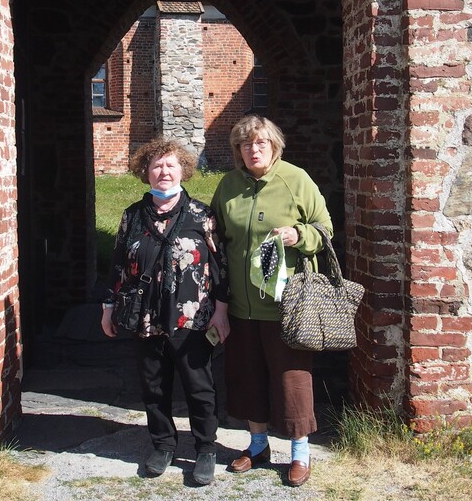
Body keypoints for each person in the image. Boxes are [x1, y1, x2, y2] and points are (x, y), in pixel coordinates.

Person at [211, 114, 333, 488]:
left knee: (291, 378)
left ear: (274, 145)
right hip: (241, 305)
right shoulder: (229, 185)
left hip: (287, 306)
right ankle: (258, 445)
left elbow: (325, 229)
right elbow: (215, 238)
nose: (254, 149)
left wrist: (299, 235)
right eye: (245, 144)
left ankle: (299, 453)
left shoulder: (296, 180)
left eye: (261, 142)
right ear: (238, 150)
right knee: (246, 376)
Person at [101, 137, 229, 486]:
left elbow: (220, 266)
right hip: (145, 317)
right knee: (154, 386)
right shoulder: (132, 216)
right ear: (145, 172)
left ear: (183, 170)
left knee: (199, 386)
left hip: (192, 317)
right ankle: (162, 445)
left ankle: (205, 448)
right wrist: (108, 307)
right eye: (156, 165)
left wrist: (221, 310)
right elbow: (118, 265)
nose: (164, 171)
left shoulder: (201, 215)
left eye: (171, 164)